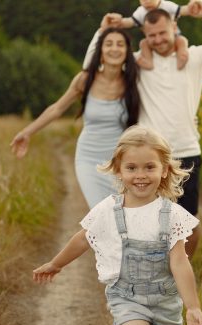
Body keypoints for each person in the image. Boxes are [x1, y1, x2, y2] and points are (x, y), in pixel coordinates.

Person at [86, 0, 202, 259]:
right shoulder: (137, 62)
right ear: (145, 38)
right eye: (152, 36)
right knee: (142, 224)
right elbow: (95, 66)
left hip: (186, 152)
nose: (159, 40)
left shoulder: (195, 57)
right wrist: (101, 32)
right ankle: (139, 279)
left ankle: (178, 275)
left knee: (189, 225)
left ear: (174, 27)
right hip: (148, 159)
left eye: (163, 33)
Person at [32, 125, 202, 325]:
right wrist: (56, 264)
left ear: (164, 169)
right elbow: (84, 238)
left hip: (165, 298)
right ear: (118, 170)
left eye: (149, 167)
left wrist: (192, 306)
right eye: (131, 168)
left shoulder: (172, 214)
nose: (140, 175)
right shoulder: (109, 209)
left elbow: (180, 261)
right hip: (127, 297)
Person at [10, 27, 141, 209]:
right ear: (101, 51)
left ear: (127, 52)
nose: (114, 49)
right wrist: (26, 132)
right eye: (108, 44)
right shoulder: (84, 79)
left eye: (120, 44)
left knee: (123, 215)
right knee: (101, 213)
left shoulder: (135, 82)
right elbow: (56, 109)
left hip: (123, 162)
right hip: (89, 159)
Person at [118, 0, 191, 70]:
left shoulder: (166, 5)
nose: (147, 2)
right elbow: (131, 21)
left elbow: (182, 10)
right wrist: (120, 22)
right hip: (150, 39)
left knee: (181, 40)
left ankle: (182, 55)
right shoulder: (141, 11)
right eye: (143, 0)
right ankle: (147, 60)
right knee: (143, 43)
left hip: (174, 35)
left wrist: (191, 8)